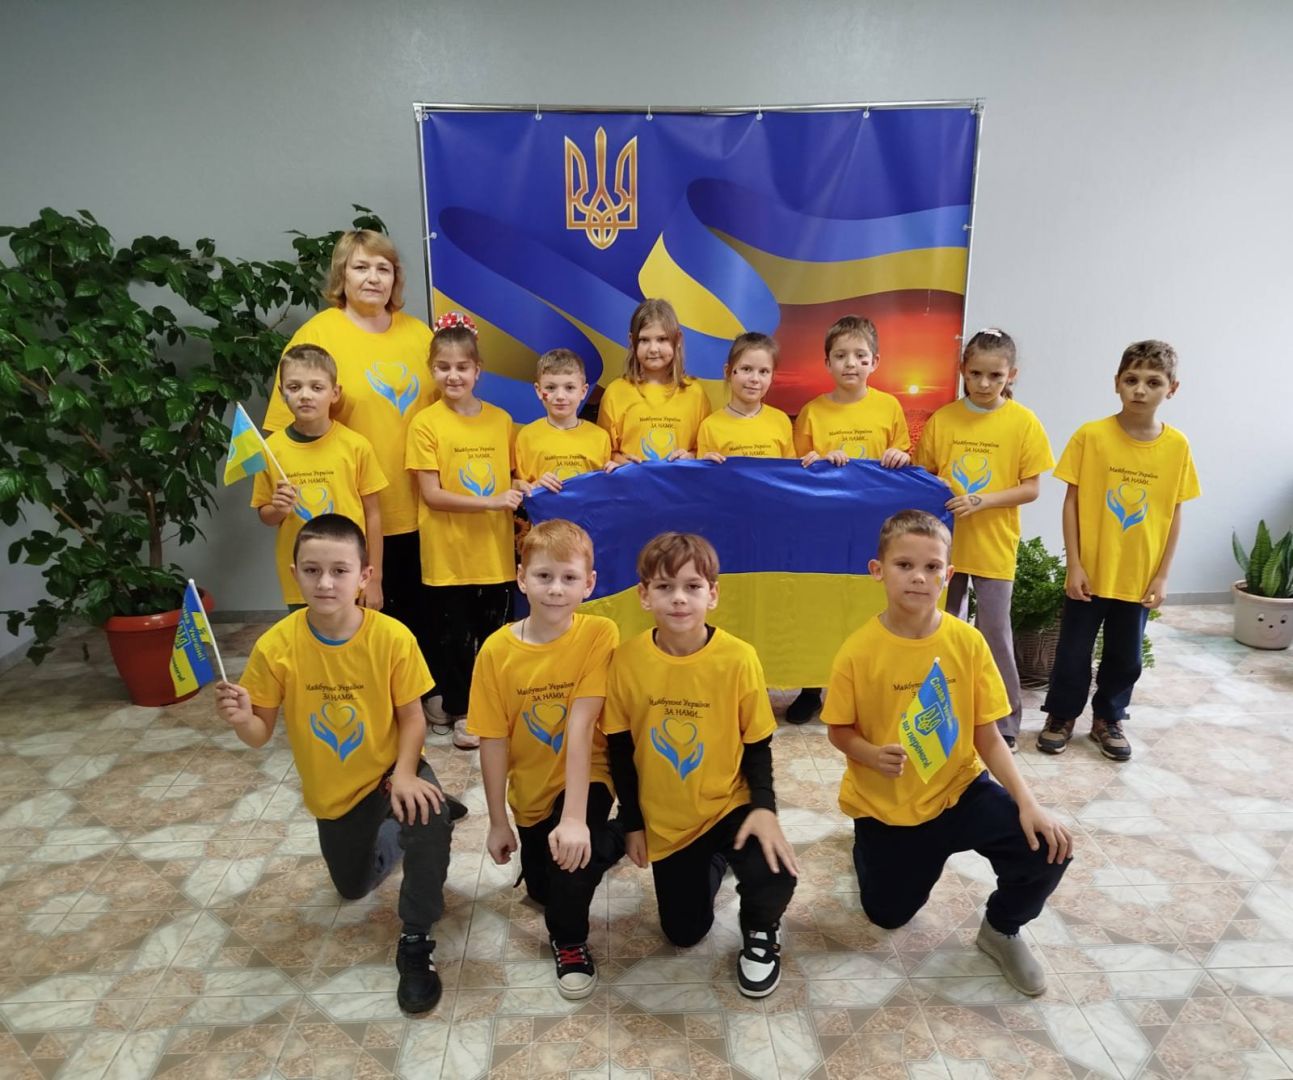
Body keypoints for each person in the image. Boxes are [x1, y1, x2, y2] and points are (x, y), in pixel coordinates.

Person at [822, 510, 1072, 997]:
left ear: (949, 574)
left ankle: (1001, 930)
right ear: (878, 570)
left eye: (932, 567)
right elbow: (838, 730)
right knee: (887, 916)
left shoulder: (968, 642)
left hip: (960, 789)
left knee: (1048, 848)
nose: (919, 577)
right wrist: (869, 754)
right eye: (904, 565)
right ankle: (865, 847)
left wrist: (1028, 803)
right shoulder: (858, 651)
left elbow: (987, 734)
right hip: (890, 806)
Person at [214, 514, 453, 1015]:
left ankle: (416, 938)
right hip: (334, 795)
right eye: (312, 570)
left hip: (389, 773)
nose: (325, 582)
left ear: (364, 576)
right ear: (294, 574)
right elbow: (259, 734)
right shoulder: (276, 646)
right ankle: (401, 828)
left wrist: (405, 774)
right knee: (352, 887)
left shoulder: (392, 637)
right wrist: (241, 719)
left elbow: (413, 719)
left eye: (340, 571)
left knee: (428, 816)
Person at [603, 532, 798, 998]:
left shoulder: (738, 658)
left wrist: (764, 808)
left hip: (728, 803)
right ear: (644, 595)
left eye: (692, 586)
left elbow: (758, 744)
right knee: (684, 933)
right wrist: (633, 823)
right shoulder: (626, 661)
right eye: (665, 586)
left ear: (712, 594)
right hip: (668, 817)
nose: (679, 598)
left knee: (777, 872)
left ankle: (760, 930)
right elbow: (620, 749)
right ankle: (712, 859)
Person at [467, 520, 622, 999]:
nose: (556, 589)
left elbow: (581, 725)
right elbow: (493, 742)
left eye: (569, 578)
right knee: (541, 888)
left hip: (588, 776)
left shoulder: (599, 634)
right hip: (530, 790)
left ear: (589, 584)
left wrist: (575, 818)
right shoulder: (496, 651)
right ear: (521, 578)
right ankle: (608, 841)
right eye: (544, 576)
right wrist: (498, 822)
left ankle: (570, 943)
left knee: (570, 871)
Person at [263, 230, 435, 648]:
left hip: (420, 507)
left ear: (395, 277)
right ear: (342, 274)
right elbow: (284, 434)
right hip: (352, 516)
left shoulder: (420, 336)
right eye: (361, 267)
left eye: (383, 268)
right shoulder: (316, 337)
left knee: (417, 628)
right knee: (357, 634)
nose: (373, 277)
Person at [1038, 340, 1200, 761]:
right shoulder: (1091, 436)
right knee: (1072, 652)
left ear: (1172, 388)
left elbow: (1174, 513)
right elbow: (1071, 503)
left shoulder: (1178, 447)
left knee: (1126, 657)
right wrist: (1074, 565)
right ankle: (1061, 715)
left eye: (1153, 382)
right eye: (1131, 379)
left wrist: (1162, 575)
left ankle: (1109, 717)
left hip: (1138, 577)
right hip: (1090, 574)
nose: (1140, 390)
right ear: (1116, 383)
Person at [914, 328, 1054, 750]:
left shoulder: (1023, 423)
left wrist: (982, 501)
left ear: (1012, 375)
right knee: (943, 630)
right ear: (962, 369)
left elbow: (1031, 488)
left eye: (995, 376)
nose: (984, 383)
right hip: (944, 547)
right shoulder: (944, 420)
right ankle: (945, 713)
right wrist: (939, 486)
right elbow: (924, 476)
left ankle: (1006, 722)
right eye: (976, 373)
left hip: (995, 545)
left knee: (995, 633)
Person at [788, 314, 913, 724]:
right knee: (819, 605)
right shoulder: (812, 413)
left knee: (868, 605)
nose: (850, 363)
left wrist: (899, 456)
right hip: (824, 530)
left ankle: (868, 687)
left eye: (860, 355)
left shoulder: (889, 407)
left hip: (875, 531)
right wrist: (819, 460)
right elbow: (795, 471)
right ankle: (812, 686)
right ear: (827, 363)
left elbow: (904, 458)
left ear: (875, 362)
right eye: (841, 355)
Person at [405, 312, 520, 750]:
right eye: (443, 367)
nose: (452, 376)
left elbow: (512, 476)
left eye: (461, 367)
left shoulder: (501, 420)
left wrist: (526, 486)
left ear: (478, 370)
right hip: (447, 555)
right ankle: (461, 710)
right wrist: (492, 502)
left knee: (493, 637)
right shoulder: (425, 423)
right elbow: (432, 494)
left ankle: (494, 707)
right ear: (431, 370)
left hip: (494, 553)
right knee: (454, 638)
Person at [252, 345, 387, 610]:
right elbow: (266, 515)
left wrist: (375, 578)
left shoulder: (356, 446)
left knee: (351, 634)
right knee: (306, 635)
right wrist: (278, 509)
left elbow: (373, 514)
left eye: (316, 387)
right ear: (281, 393)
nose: (305, 395)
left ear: (335, 393)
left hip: (349, 576)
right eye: (294, 387)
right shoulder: (271, 450)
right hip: (302, 577)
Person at [597, 298, 711, 463]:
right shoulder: (615, 392)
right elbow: (604, 453)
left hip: (680, 480)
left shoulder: (695, 393)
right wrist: (624, 463)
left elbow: (705, 451)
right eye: (644, 340)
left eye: (662, 339)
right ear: (632, 341)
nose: (653, 349)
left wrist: (690, 457)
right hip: (632, 480)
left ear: (678, 339)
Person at [513, 348, 617, 494]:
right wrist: (533, 487)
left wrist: (615, 477)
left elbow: (606, 491)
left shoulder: (600, 437)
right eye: (551, 387)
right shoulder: (526, 436)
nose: (560, 396)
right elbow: (517, 488)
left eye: (569, 387)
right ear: (538, 390)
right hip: (543, 510)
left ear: (583, 391)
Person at [696, 332, 795, 461]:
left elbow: (790, 470)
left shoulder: (781, 421)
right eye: (746, 369)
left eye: (763, 371)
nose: (755, 379)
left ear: (772, 377)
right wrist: (706, 466)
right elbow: (704, 472)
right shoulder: (710, 427)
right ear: (728, 372)